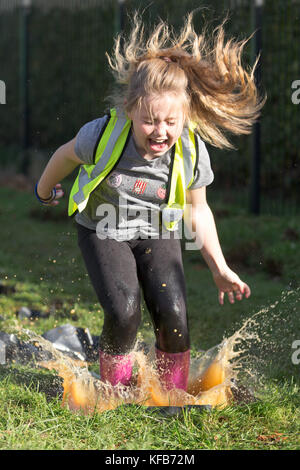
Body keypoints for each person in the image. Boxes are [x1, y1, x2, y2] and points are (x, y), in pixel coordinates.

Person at [35, 13, 265, 392]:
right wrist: (44, 191)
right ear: (130, 109)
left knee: (174, 315)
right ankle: (117, 392)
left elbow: (197, 210)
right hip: (104, 230)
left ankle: (168, 395)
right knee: (124, 311)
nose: (161, 132)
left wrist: (219, 267)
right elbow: (64, 156)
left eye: (171, 122)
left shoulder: (190, 149)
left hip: (158, 231)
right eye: (150, 121)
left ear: (185, 116)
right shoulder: (103, 134)